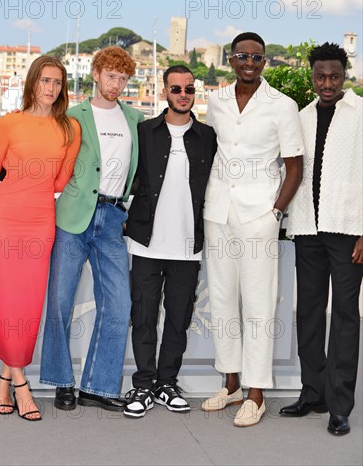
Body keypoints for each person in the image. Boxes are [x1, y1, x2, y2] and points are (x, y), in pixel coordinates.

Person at [201, 32, 304, 427]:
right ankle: (230, 384)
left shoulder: (283, 106)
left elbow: (294, 166)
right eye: (242, 56)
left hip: (260, 215)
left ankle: (257, 393)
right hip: (218, 212)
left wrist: (275, 213)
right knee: (223, 300)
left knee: (259, 306)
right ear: (231, 59)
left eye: (256, 57)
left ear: (265, 62)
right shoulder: (218, 100)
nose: (249, 62)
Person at [39, 46, 143, 412]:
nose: (116, 84)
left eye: (123, 78)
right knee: (60, 303)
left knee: (118, 304)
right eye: (110, 76)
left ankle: (98, 386)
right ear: (96, 75)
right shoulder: (72, 116)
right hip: (72, 217)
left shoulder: (135, 118)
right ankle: (61, 382)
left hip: (113, 219)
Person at [0, 56, 81, 421]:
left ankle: (4, 380)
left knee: (28, 306)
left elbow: (60, 181)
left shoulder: (70, 128)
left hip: (41, 222)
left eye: (57, 82)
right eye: (44, 81)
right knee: (8, 303)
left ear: (63, 87)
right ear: (32, 83)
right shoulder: (9, 124)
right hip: (6, 221)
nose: (51, 88)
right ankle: (22, 382)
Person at [123, 66, 217, 418]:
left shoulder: (207, 136)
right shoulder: (144, 131)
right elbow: (128, 175)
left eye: (189, 89)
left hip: (187, 245)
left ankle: (167, 383)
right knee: (144, 317)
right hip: (146, 242)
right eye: (176, 88)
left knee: (179, 318)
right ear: (164, 91)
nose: (183, 93)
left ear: (195, 93)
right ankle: (144, 385)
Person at [279, 42, 363, 436]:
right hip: (307, 227)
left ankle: (340, 404)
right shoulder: (302, 116)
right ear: (311, 76)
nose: (326, 83)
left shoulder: (361, 113)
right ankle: (313, 392)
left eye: (334, 76)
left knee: (346, 316)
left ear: (344, 75)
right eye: (319, 76)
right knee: (308, 313)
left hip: (348, 229)